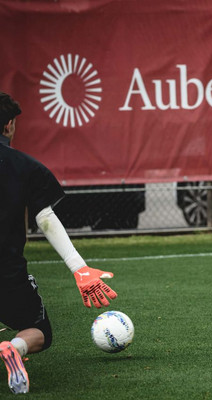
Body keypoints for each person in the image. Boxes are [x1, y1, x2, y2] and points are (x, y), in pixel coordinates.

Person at [0, 92, 118, 394]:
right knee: (40, 331)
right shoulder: (25, 167)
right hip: (6, 271)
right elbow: (45, 219)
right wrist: (79, 268)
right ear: (9, 125)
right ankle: (15, 347)